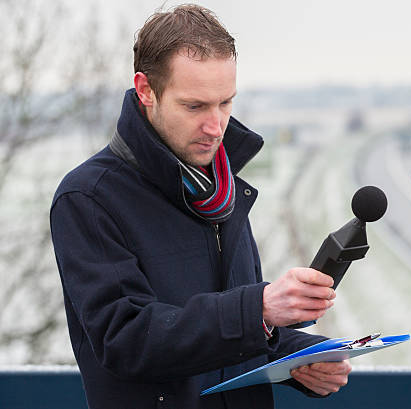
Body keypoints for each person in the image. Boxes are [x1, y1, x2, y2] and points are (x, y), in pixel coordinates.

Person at [50, 4, 351, 408]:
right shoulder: (88, 198)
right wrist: (258, 308)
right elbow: (126, 340)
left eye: (225, 103)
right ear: (145, 91)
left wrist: (300, 356)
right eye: (195, 106)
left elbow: (224, 337)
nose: (216, 126)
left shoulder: (222, 189)